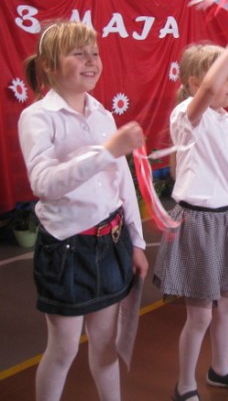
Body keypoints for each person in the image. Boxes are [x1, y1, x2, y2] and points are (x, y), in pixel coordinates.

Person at [17, 21, 149, 401]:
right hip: (68, 249)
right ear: (49, 65)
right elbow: (44, 182)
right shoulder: (38, 117)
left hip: (111, 241)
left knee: (105, 345)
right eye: (79, 54)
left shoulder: (102, 114)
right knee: (63, 349)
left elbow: (122, 183)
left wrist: (137, 241)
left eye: (94, 53)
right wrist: (106, 151)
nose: (91, 61)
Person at [153, 10, 228, 400]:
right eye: (224, 76)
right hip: (198, 223)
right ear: (194, 84)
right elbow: (203, 97)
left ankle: (221, 369)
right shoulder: (187, 117)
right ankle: (185, 385)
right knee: (200, 314)